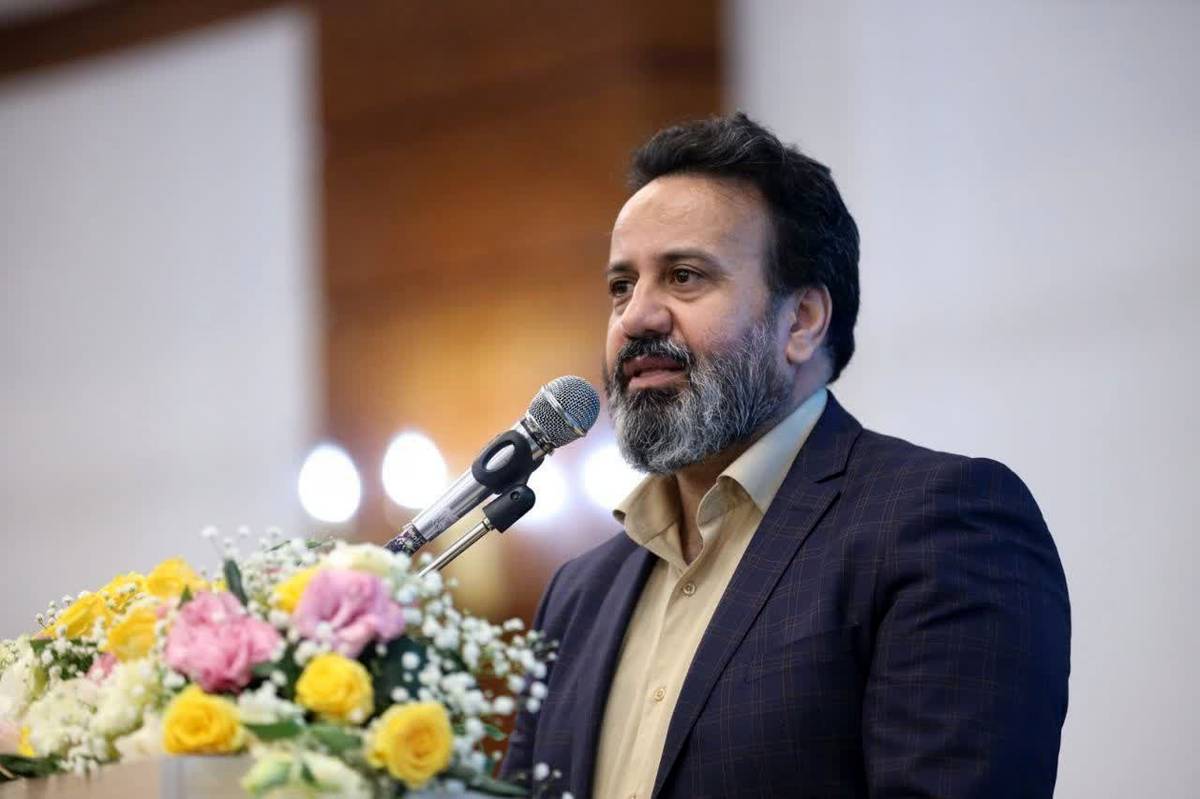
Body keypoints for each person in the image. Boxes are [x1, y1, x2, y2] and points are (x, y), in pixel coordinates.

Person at [502, 113, 1070, 798]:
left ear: (801, 321)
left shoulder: (939, 525)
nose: (636, 317)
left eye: (683, 276)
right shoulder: (578, 593)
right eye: (621, 285)